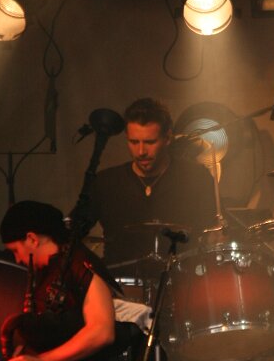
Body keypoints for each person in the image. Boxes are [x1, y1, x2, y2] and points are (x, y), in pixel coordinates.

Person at [0, 199, 116, 361]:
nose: (17, 259)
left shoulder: (80, 266)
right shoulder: (40, 274)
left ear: (32, 238)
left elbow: (102, 331)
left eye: (16, 250)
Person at [86, 97, 217, 270]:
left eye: (150, 142)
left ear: (167, 138)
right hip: (117, 281)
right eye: (134, 142)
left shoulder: (196, 177)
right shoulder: (106, 181)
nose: (141, 151)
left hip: (180, 279)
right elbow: (74, 231)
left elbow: (212, 233)